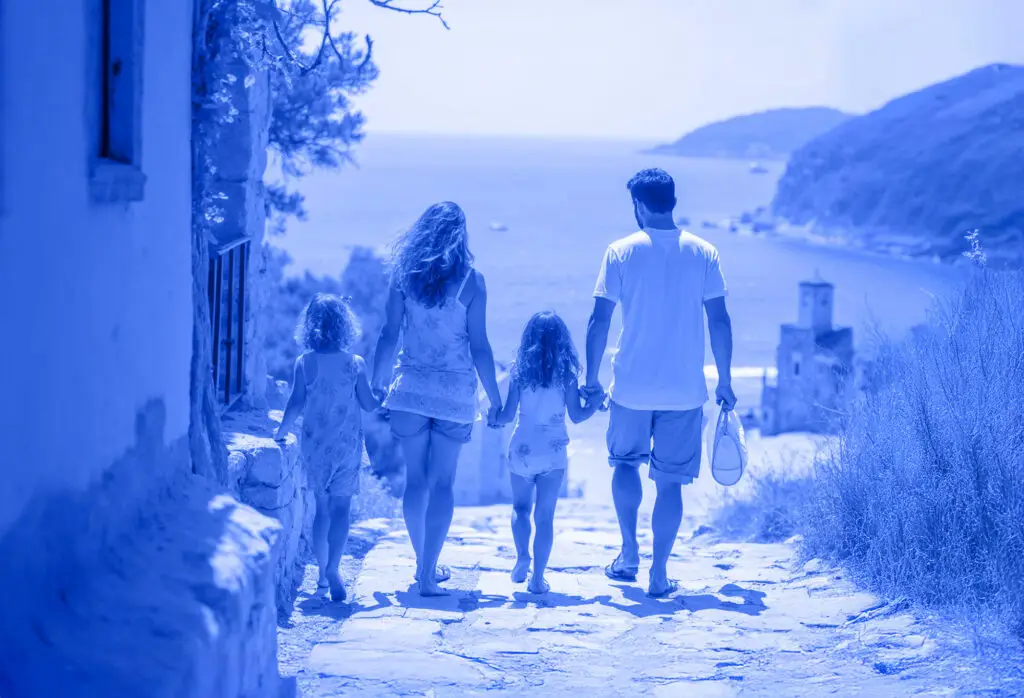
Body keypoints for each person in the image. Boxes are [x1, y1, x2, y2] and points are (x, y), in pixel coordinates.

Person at [583, 168, 736, 598]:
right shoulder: (704, 252)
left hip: (631, 386)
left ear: (638, 205)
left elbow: (599, 321)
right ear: (672, 200)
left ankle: (628, 553)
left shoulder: (619, 252)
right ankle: (659, 573)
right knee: (669, 483)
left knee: (625, 464)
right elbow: (719, 321)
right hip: (684, 390)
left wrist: (591, 379)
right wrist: (724, 379)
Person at [372, 201, 503, 597]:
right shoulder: (471, 283)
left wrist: (378, 382)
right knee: (442, 483)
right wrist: (496, 400)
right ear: (460, 236)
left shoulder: (403, 278)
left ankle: (422, 566)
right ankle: (429, 572)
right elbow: (480, 348)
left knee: (416, 481)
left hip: (410, 390)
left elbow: (388, 334)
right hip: (455, 395)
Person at [274, 293, 382, 602]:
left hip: (315, 446)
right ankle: (335, 566)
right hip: (346, 446)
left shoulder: (305, 362)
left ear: (310, 326)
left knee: (321, 510)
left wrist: (281, 432)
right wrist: (379, 394)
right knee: (341, 510)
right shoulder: (355, 363)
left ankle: (322, 574)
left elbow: (295, 403)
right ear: (344, 325)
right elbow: (368, 405)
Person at [495, 311, 598, 594]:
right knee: (545, 517)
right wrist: (596, 404)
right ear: (562, 341)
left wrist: (493, 412)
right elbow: (577, 415)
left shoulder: (519, 372)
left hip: (522, 450)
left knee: (520, 509)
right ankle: (538, 579)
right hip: (553, 454)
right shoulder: (566, 375)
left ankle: (522, 556)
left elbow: (505, 416)